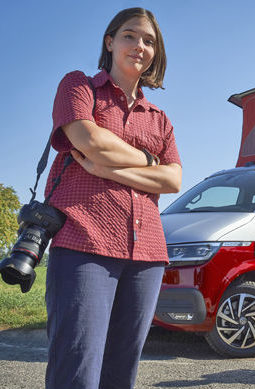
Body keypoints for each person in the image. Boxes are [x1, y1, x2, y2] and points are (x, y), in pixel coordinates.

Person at [44, 8, 181, 389]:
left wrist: (110, 170)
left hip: (148, 256)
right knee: (77, 371)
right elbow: (90, 141)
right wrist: (149, 161)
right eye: (130, 35)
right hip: (85, 242)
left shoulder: (160, 119)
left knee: (121, 375)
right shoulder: (79, 87)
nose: (140, 45)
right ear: (110, 41)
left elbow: (173, 179)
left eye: (149, 41)